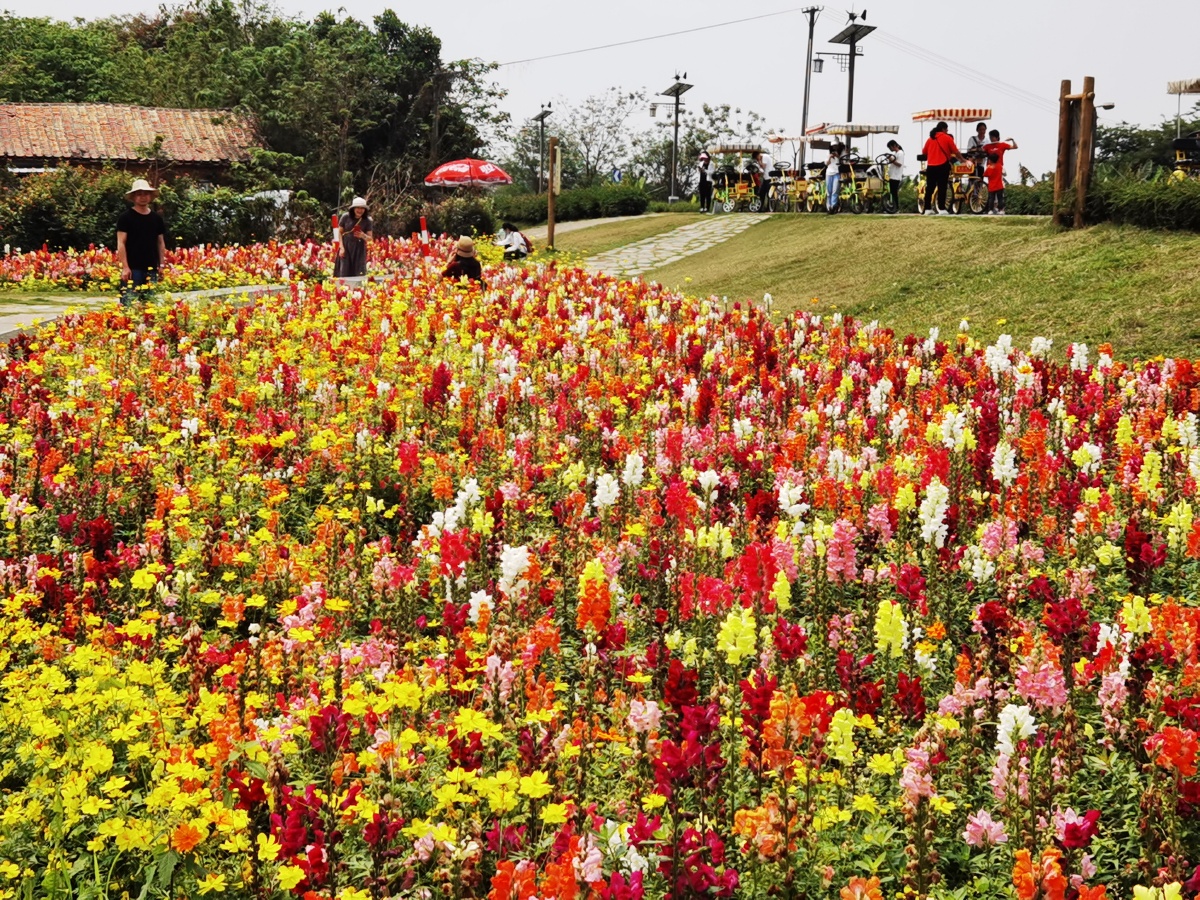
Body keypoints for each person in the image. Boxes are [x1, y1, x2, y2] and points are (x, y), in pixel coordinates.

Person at [116, 178, 166, 303]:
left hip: (151, 268)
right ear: (133, 197)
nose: (143, 197)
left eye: (146, 194)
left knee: (149, 305)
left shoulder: (156, 218)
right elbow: (121, 242)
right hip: (133, 269)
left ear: (150, 196)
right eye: (139, 194)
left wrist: (161, 264)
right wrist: (125, 267)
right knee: (128, 304)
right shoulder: (125, 218)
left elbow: (160, 242)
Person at [922, 123, 962, 216]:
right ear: (944, 129)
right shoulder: (947, 138)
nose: (947, 131)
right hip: (942, 165)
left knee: (930, 188)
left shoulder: (930, 139)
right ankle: (941, 208)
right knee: (942, 187)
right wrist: (963, 160)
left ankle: (927, 208)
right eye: (947, 130)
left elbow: (924, 152)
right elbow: (955, 151)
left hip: (931, 166)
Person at [981, 131, 1018, 215]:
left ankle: (999, 208)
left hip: (999, 168)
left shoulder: (1002, 145)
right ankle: (993, 208)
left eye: (993, 137)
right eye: (990, 137)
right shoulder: (987, 146)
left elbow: (1015, 147)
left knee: (998, 191)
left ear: (997, 137)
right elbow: (981, 151)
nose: (991, 138)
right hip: (990, 168)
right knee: (993, 191)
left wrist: (1012, 139)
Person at [335, 197, 372, 277]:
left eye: (362, 208)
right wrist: (341, 247)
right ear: (353, 208)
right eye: (358, 208)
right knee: (344, 271)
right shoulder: (345, 217)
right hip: (346, 247)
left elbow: (370, 238)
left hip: (359, 249)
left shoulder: (367, 220)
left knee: (358, 273)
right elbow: (340, 232)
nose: (360, 210)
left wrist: (363, 235)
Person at [885, 140, 905, 210]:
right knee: (892, 192)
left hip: (896, 176)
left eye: (890, 147)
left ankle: (896, 208)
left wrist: (891, 159)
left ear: (893, 146)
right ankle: (893, 207)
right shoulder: (896, 153)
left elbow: (899, 164)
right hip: (892, 176)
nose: (890, 149)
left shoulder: (900, 153)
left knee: (894, 193)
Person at [825, 142, 845, 213]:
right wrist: (830, 157)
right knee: (829, 191)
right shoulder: (828, 154)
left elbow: (843, 161)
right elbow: (826, 163)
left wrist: (837, 156)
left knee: (835, 190)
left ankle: (834, 206)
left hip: (836, 173)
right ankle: (829, 207)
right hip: (829, 173)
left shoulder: (840, 153)